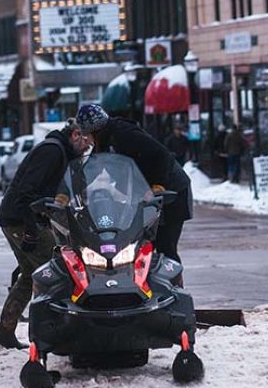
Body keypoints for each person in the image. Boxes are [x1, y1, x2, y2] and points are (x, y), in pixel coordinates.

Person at [0, 119, 92, 349]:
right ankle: (55, 332)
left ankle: (4, 331)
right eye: (86, 141)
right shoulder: (52, 152)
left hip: (19, 218)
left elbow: (76, 185)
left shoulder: (65, 154)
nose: (88, 146)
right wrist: (30, 231)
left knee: (30, 275)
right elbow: (26, 192)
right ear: (76, 134)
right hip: (20, 219)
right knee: (56, 272)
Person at [74, 103, 192, 276]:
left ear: (95, 130)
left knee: (165, 246)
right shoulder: (105, 142)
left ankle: (174, 287)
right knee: (141, 245)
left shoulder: (124, 134)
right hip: (146, 197)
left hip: (170, 192)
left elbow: (161, 155)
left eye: (87, 135)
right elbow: (94, 167)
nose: (87, 140)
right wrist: (76, 189)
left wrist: (158, 185)